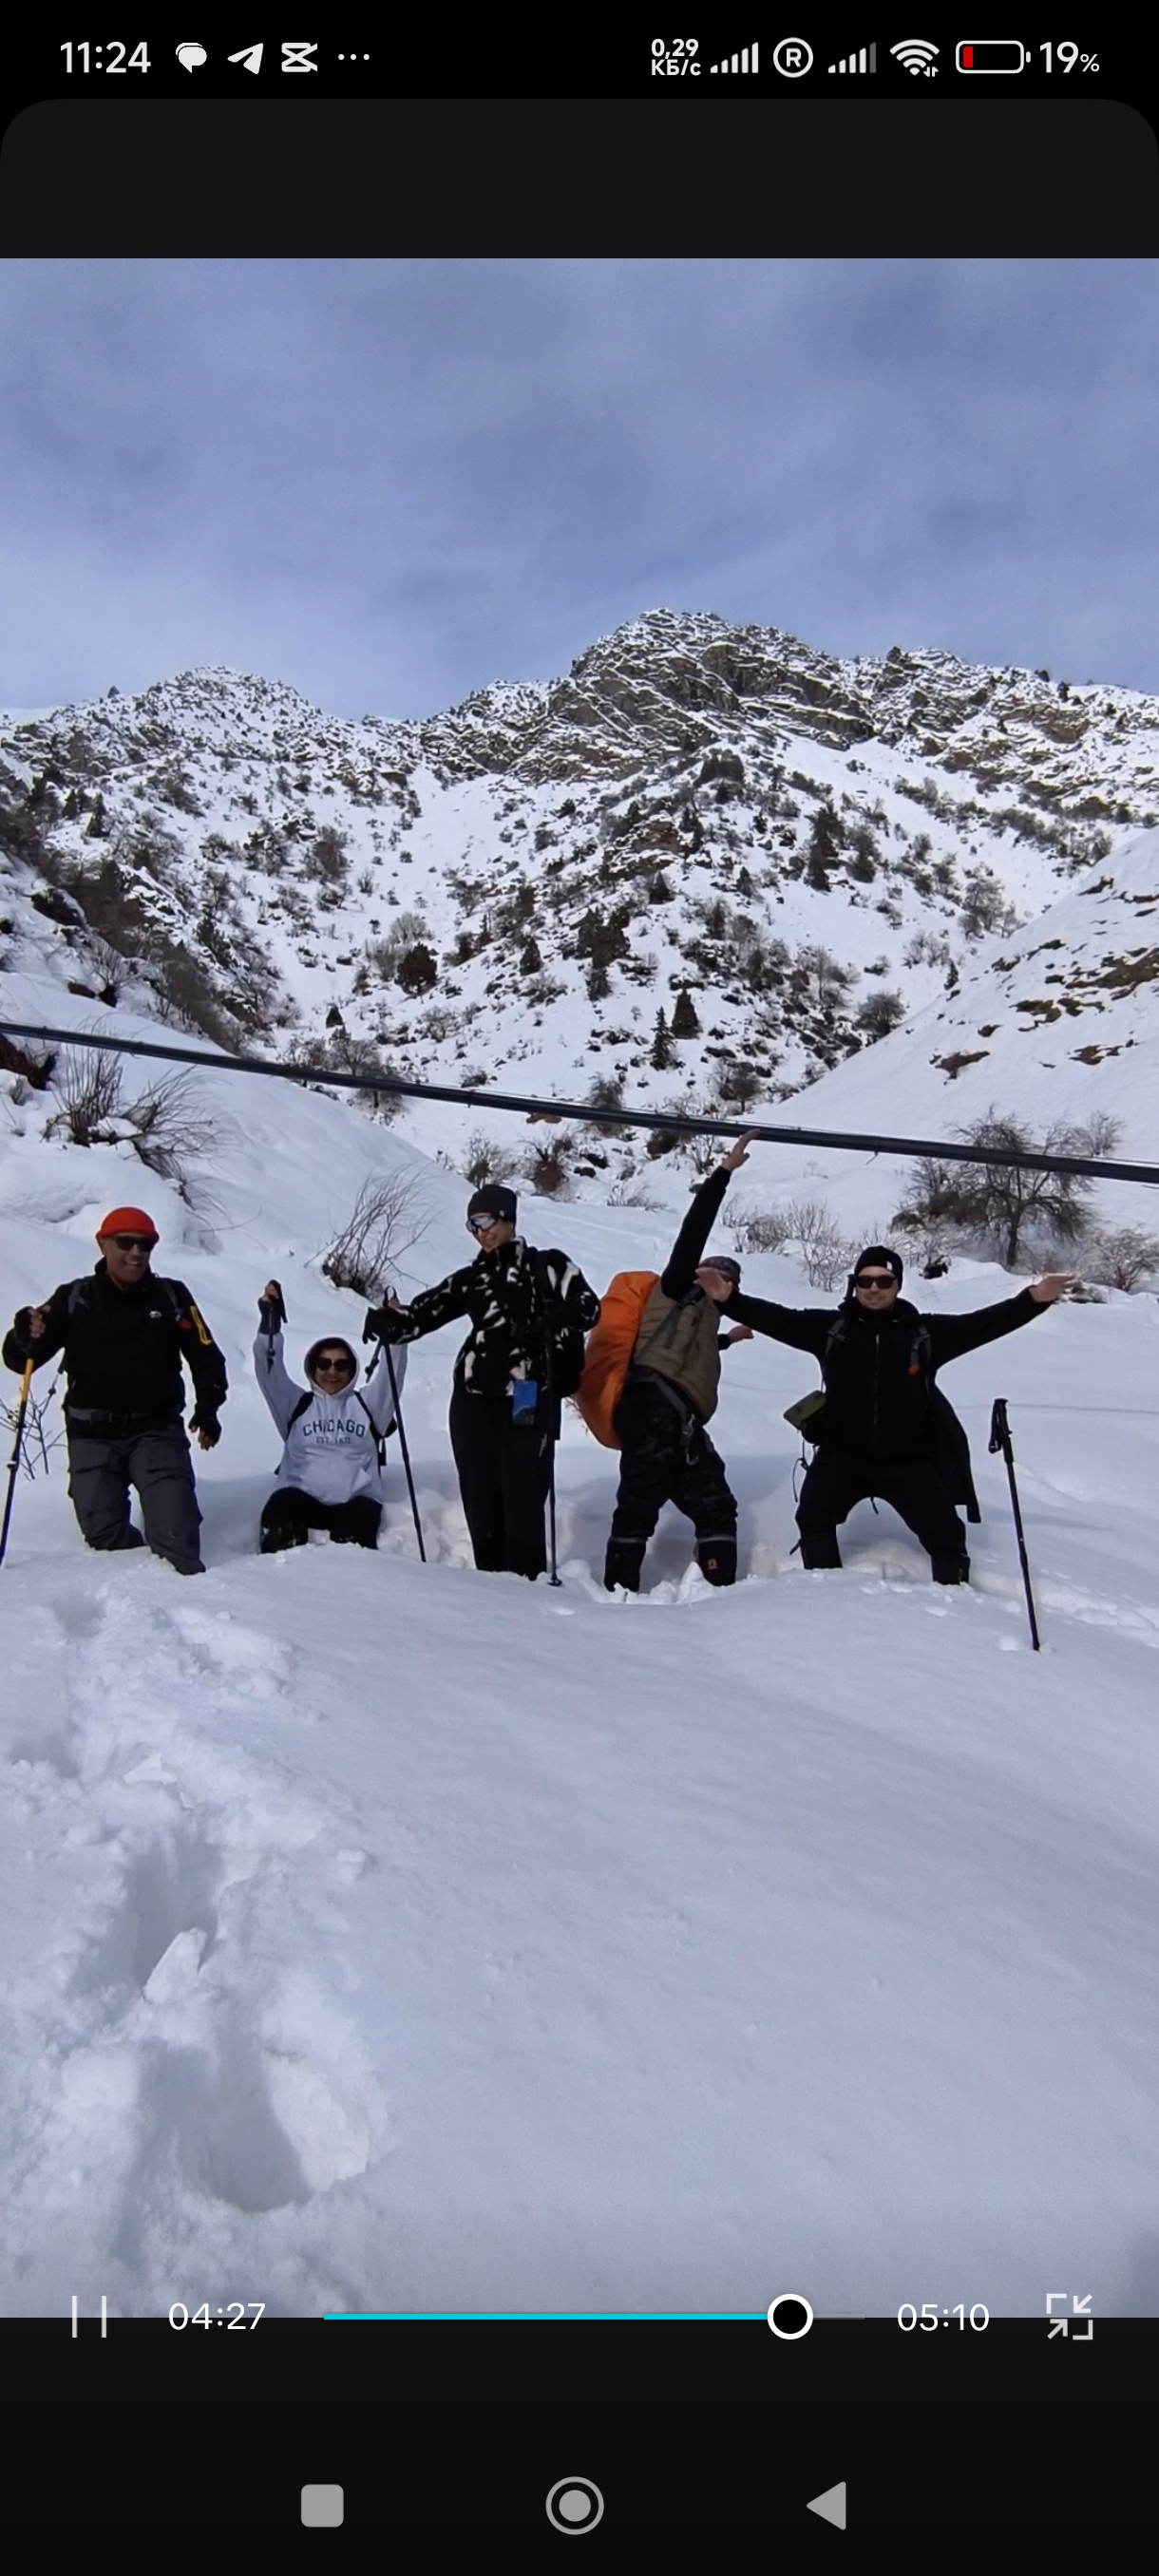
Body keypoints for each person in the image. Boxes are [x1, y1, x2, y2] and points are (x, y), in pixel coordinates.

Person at [704, 1241, 1073, 1583]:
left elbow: (982, 1325)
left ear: (897, 1284)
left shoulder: (924, 1334)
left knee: (947, 1534)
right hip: (843, 1455)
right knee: (813, 1517)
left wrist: (1034, 1299)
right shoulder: (832, 1329)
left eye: (884, 1280)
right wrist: (728, 1298)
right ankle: (824, 1593)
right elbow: (776, 1318)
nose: (874, 1287)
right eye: (865, 1280)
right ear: (855, 1284)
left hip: (908, 1460)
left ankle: (957, 1606)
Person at [365, 1183, 600, 1581]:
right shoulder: (473, 1277)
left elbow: (589, 1308)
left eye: (486, 1221)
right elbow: (423, 1315)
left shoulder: (548, 1265)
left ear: (508, 1217)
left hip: (526, 1392)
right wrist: (389, 1322)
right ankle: (489, 1587)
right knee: (479, 1494)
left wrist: (548, 1321)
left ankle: (528, 1584)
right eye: (472, 1225)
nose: (480, 1232)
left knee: (522, 1491)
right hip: (472, 1397)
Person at [1, 1204, 227, 1576]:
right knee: (102, 1534)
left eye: (145, 1245)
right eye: (125, 1243)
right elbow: (20, 1359)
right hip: (92, 1433)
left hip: (156, 1430)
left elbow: (206, 1357)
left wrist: (209, 1406)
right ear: (103, 1243)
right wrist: (24, 1336)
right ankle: (134, 1597)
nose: (135, 1253)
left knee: (176, 1538)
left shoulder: (171, 1297)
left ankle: (182, 1606)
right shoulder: (75, 1298)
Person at [603, 1135, 755, 1595]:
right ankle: (614, 1596)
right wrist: (723, 1173)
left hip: (683, 1419)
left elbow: (693, 1348)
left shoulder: (710, 1319)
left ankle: (716, 1592)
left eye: (730, 1277)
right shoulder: (673, 1288)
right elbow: (694, 1230)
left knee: (716, 1503)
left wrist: (727, 1339)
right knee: (639, 1500)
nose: (722, 1280)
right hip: (651, 1405)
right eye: (715, 1272)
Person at [254, 1281, 407, 1553]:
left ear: (352, 1369)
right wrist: (269, 1323)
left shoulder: (369, 1406)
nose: (331, 1371)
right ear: (313, 1367)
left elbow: (392, 1374)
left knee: (353, 1547)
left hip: (355, 1501)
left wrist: (393, 1326)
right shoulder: (296, 1404)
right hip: (299, 1495)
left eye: (341, 1364)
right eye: (323, 1364)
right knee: (280, 1517)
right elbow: (268, 1370)